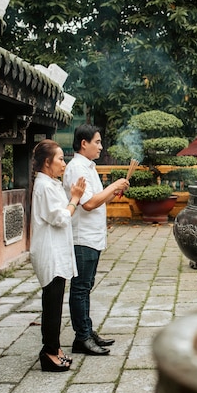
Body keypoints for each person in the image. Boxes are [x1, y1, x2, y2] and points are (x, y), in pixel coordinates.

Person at [63, 124, 130, 356]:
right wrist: (113, 185)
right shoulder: (76, 169)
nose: (101, 147)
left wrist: (113, 192)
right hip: (81, 237)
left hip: (92, 236)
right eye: (97, 142)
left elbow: (97, 200)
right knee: (80, 288)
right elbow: (89, 204)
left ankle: (87, 331)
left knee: (86, 286)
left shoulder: (89, 167)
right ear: (84, 143)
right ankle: (81, 337)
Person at [30, 139, 86, 372]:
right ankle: (48, 352)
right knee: (52, 305)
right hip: (49, 253)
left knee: (54, 304)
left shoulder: (49, 183)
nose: (64, 163)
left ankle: (54, 347)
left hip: (56, 251)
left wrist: (72, 197)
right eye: (61, 159)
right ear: (47, 162)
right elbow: (61, 218)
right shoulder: (43, 186)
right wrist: (74, 198)